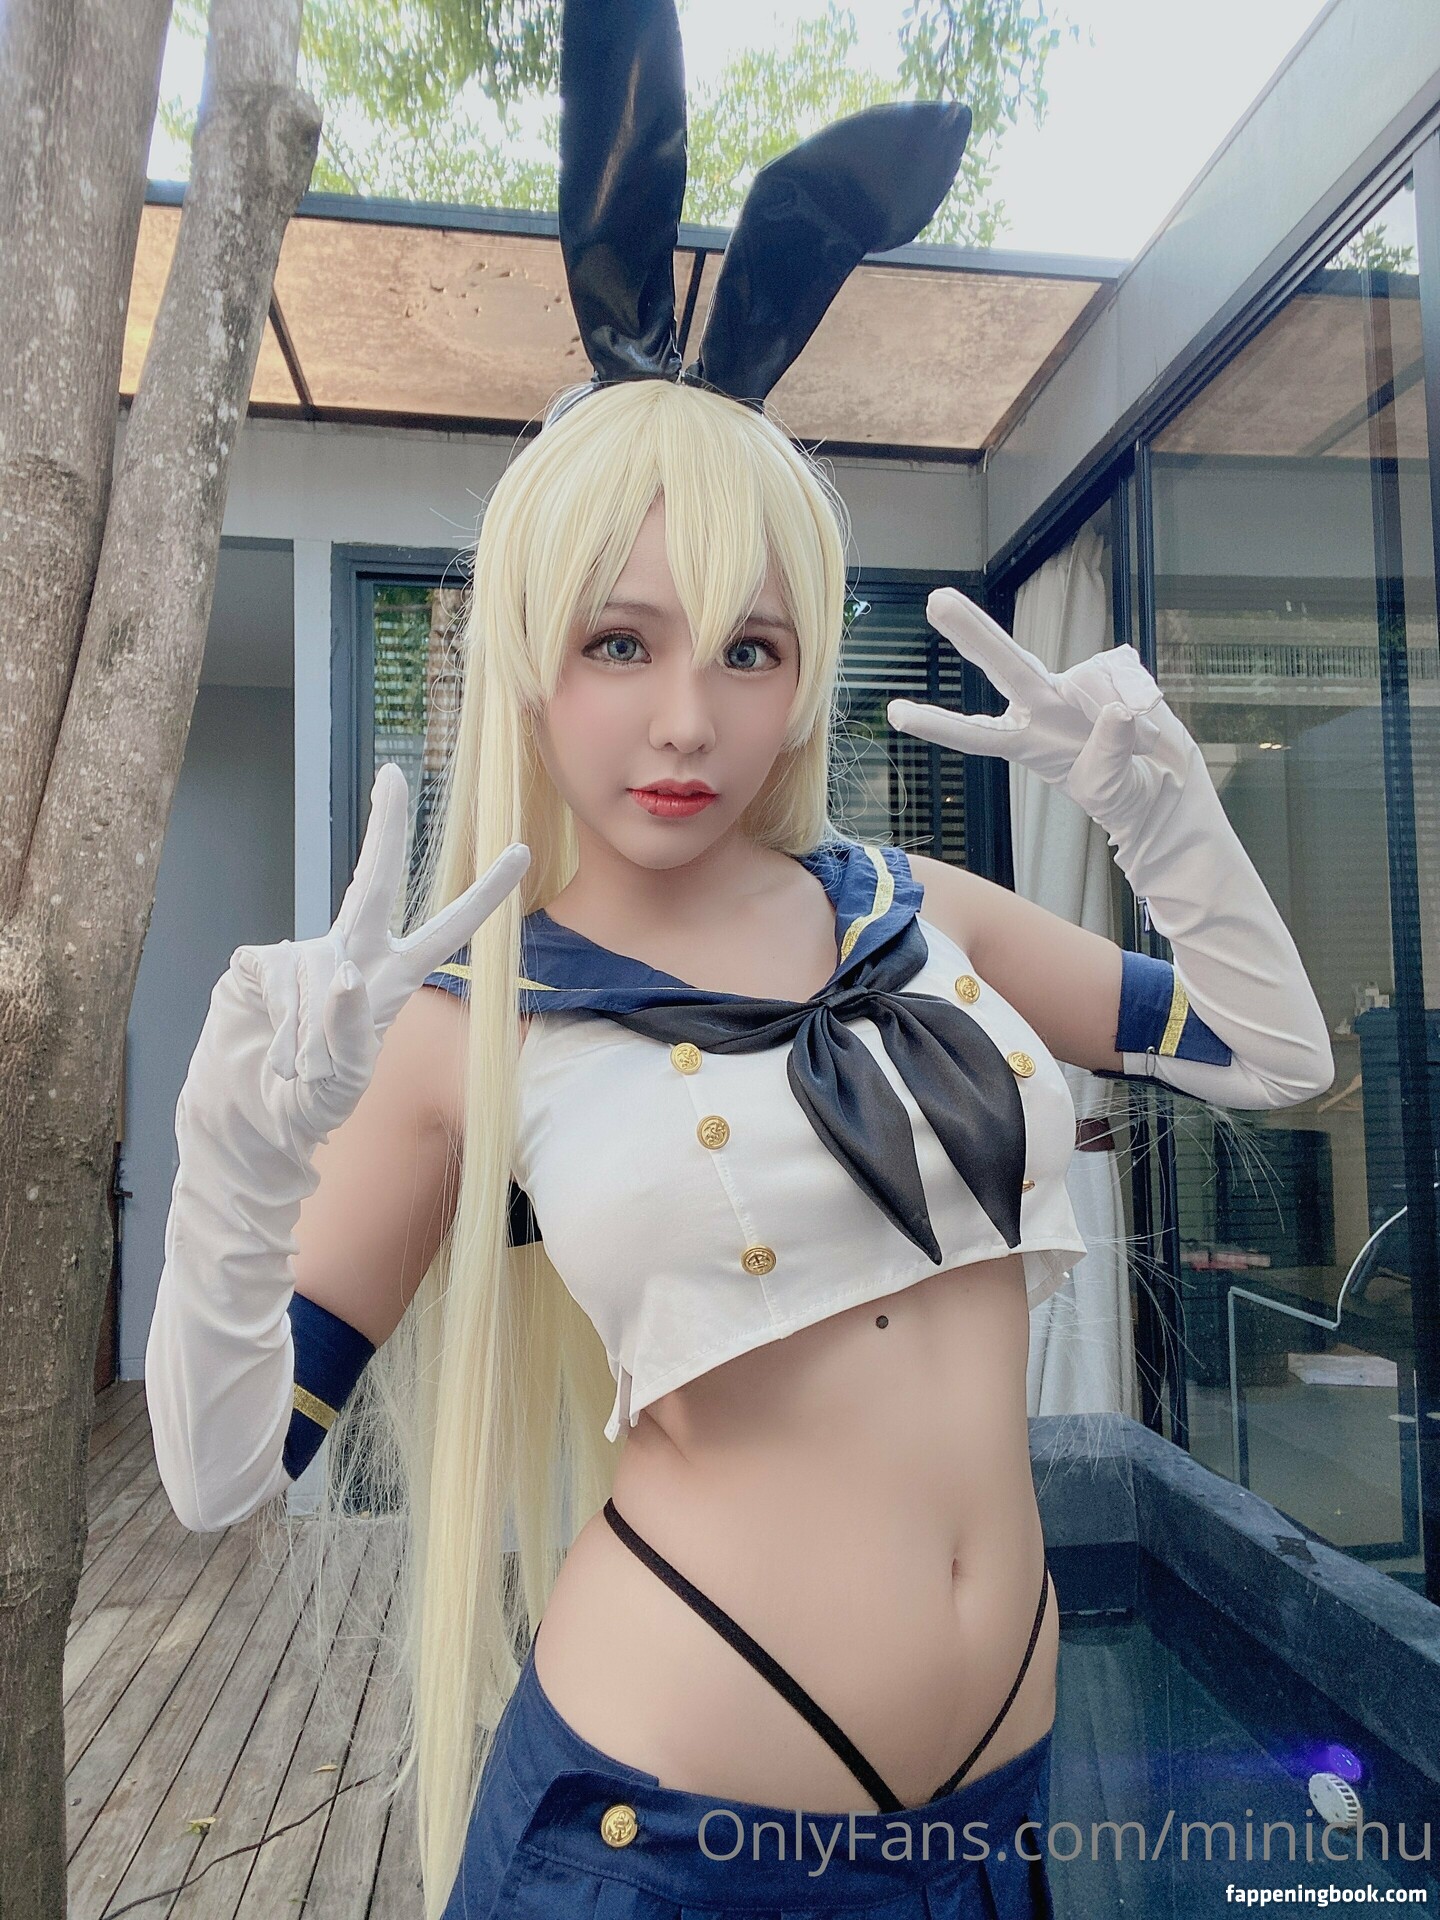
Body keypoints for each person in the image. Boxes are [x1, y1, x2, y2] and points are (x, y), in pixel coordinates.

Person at [143, 5, 1336, 1916]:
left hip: (999, 1827)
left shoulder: (915, 911)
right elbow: (223, 1482)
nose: (688, 719)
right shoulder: (473, 1022)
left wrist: (1155, 802)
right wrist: (237, 1167)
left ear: (802, 678)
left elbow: (1275, 1057)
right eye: (620, 644)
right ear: (528, 661)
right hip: (666, 1850)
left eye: (750, 650)